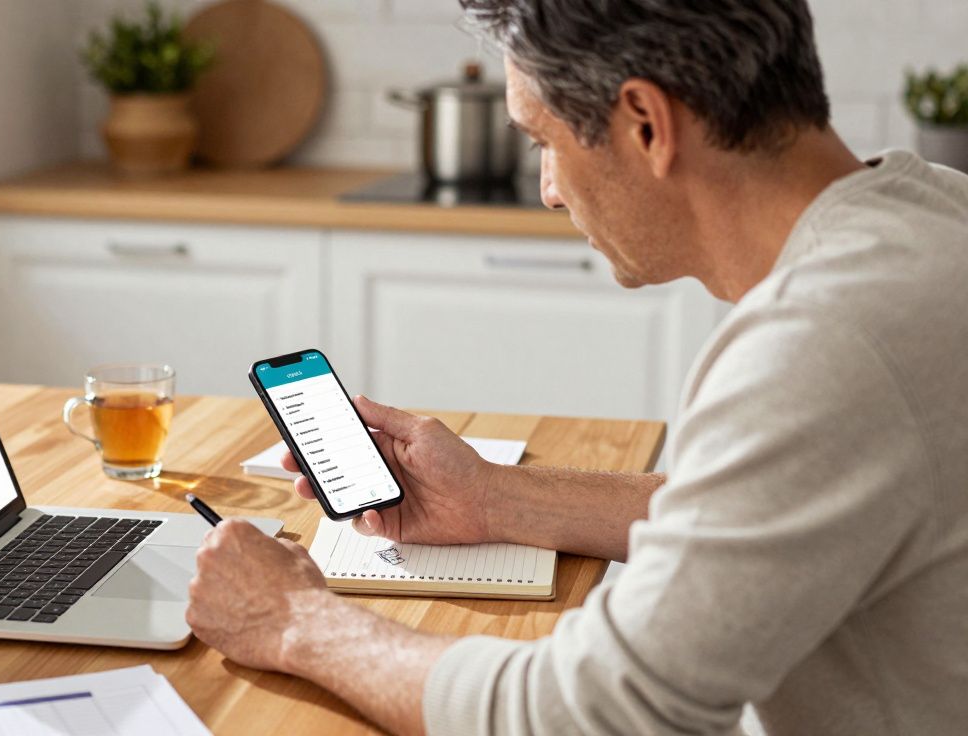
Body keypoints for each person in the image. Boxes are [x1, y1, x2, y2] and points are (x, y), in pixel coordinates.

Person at [184, 1, 968, 733]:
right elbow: (768, 513)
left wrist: (295, 621)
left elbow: (601, 712)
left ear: (646, 124)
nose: (548, 191)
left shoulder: (823, 342)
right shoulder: (933, 211)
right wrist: (496, 500)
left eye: (543, 141)